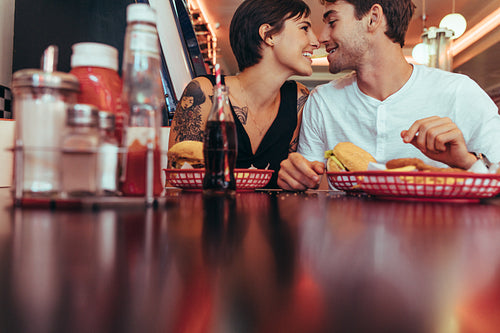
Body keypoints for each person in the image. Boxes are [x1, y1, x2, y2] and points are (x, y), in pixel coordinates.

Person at [278, 0, 500, 191]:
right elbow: (312, 186)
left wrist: (466, 161)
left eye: (332, 22)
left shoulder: (460, 92)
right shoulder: (322, 101)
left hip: (436, 237)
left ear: (373, 18)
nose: (322, 37)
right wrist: (297, 178)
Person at [168, 0, 320, 188]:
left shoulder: (298, 97)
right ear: (268, 35)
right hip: (210, 214)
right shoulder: (205, 91)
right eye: (304, 28)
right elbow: (178, 178)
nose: (315, 41)